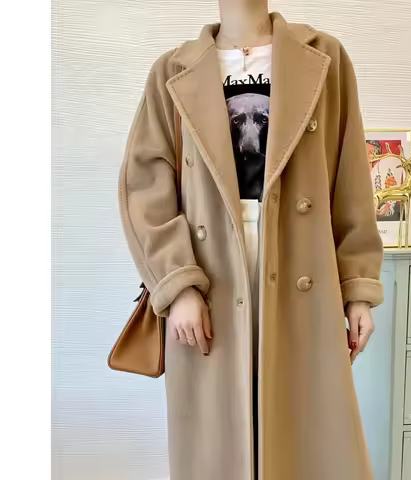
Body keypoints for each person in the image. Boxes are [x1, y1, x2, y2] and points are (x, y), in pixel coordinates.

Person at [118, 1, 384, 479]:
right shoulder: (171, 72)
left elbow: (349, 181)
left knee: (308, 436)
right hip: (211, 273)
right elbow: (146, 188)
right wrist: (178, 285)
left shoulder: (325, 58)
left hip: (303, 266)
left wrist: (357, 287)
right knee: (219, 439)